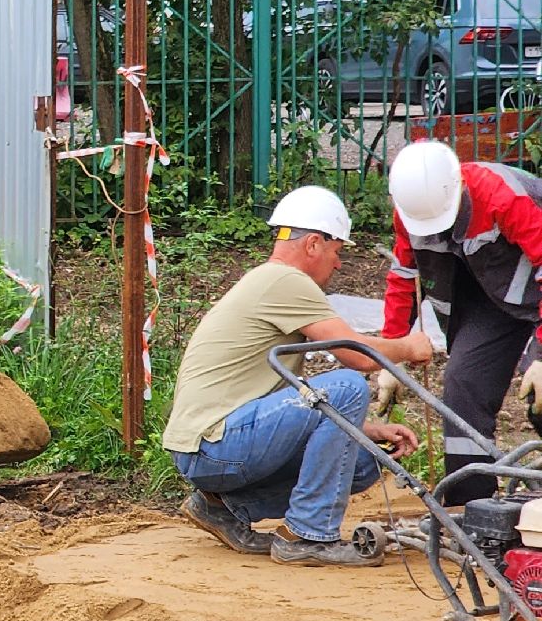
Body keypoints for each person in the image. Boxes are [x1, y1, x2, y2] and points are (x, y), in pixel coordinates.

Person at [166, 185, 434, 566]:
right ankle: (309, 535)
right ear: (313, 244)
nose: (338, 264)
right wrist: (409, 347)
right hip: (214, 444)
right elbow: (354, 353)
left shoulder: (270, 281)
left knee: (364, 459)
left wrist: (367, 430)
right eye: (337, 252)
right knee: (348, 387)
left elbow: (291, 401)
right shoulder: (286, 281)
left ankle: (223, 507)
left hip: (212, 445)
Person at [380, 140, 542, 506]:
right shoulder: (411, 209)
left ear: (461, 188)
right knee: (463, 383)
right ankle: (471, 508)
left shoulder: (503, 196)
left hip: (530, 288)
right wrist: (391, 354)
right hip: (496, 300)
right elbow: (404, 277)